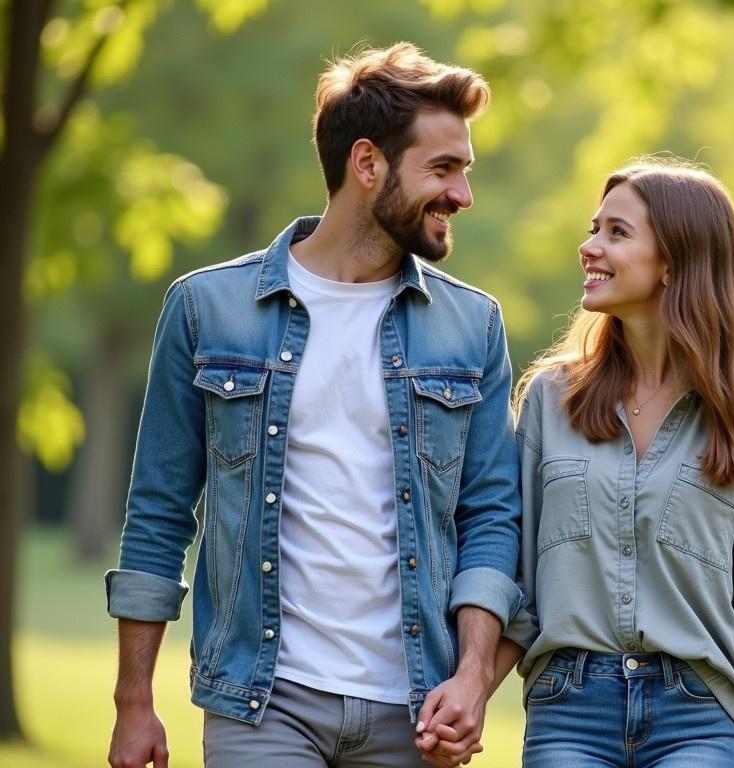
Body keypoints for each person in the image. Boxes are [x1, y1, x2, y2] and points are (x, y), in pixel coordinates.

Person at [105, 42, 522, 768]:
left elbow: (491, 514)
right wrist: (133, 703)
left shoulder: (472, 327)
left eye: (465, 170)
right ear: (368, 164)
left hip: (414, 710)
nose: (463, 194)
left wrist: (473, 676)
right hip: (263, 703)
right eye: (443, 168)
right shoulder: (207, 309)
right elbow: (159, 510)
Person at [495, 159, 734, 767]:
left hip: (698, 714)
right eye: (594, 228)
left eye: (616, 233)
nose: (589, 247)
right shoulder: (551, 396)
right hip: (567, 707)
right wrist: (469, 694)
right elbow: (518, 578)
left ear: (675, 261)